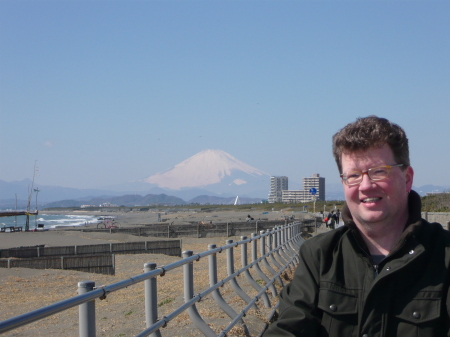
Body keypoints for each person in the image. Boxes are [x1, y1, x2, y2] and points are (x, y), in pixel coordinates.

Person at [262, 116, 450, 337]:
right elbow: (290, 327)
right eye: (353, 176)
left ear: (407, 178)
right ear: (343, 183)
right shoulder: (319, 255)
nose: (366, 186)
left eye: (379, 171)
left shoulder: (444, 256)